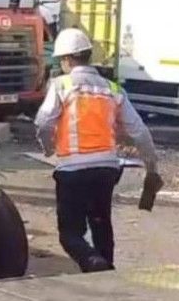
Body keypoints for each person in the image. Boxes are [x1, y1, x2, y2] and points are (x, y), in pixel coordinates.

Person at [34, 28, 160, 273]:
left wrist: (48, 147)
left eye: (62, 60)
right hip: (106, 170)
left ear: (68, 59)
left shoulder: (62, 85)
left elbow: (43, 122)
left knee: (70, 235)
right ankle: (107, 273)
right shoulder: (112, 89)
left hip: (72, 171)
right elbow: (140, 133)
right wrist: (152, 168)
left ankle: (96, 265)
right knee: (101, 225)